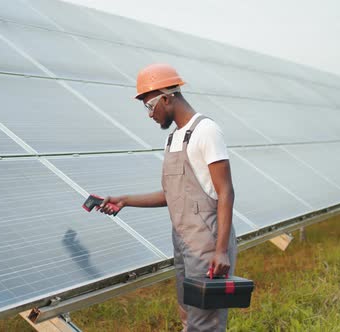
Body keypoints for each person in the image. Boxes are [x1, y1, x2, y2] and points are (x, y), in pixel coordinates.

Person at [99, 63, 237, 332]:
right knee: (188, 316)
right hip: (183, 243)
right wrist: (126, 200)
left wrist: (220, 251)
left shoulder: (206, 131)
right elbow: (173, 195)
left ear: (166, 97)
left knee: (205, 323)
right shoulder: (173, 139)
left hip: (207, 245)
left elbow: (226, 192)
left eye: (150, 106)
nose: (150, 115)